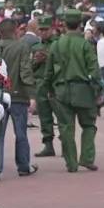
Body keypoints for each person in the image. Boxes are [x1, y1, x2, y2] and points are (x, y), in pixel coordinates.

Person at [46, 9, 101, 172]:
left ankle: (71, 163)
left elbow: (48, 72)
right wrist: (97, 90)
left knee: (66, 127)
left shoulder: (56, 44)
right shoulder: (85, 44)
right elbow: (94, 70)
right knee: (89, 125)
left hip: (61, 90)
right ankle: (87, 158)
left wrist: (50, 89)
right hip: (83, 90)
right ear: (80, 24)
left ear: (64, 24)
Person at [0, 19, 38, 176]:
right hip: (18, 95)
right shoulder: (22, 46)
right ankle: (23, 166)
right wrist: (32, 95)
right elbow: (25, 72)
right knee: (21, 133)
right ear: (15, 31)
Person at [32, 17, 58, 157]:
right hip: (41, 85)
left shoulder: (59, 44)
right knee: (44, 116)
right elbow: (29, 68)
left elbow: (64, 63)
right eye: (40, 30)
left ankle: (67, 145)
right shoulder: (36, 47)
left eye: (45, 29)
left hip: (56, 84)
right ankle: (48, 145)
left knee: (62, 116)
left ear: (52, 29)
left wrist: (49, 57)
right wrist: (36, 61)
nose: (43, 32)